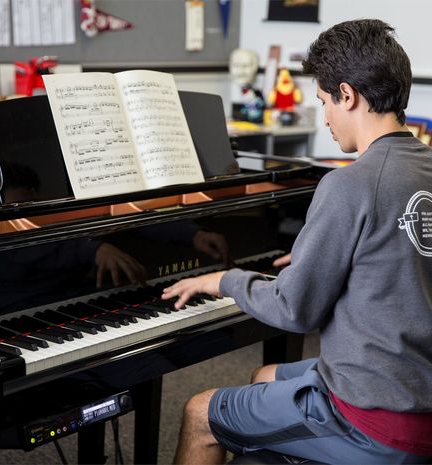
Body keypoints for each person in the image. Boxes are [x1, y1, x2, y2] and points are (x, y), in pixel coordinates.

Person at [162, 19, 432, 465]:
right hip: (416, 388)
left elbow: (294, 309)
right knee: (263, 375)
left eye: (324, 101)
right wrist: (322, 258)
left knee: (199, 413)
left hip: (374, 417)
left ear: (348, 95)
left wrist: (228, 280)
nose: (325, 116)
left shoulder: (349, 185)